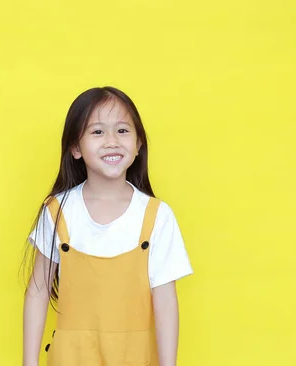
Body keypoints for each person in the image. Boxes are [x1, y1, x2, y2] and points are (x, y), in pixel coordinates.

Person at [22, 86, 193, 366]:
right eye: (98, 131)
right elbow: (38, 290)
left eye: (123, 131)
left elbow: (165, 302)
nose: (112, 141)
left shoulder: (157, 216)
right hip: (69, 358)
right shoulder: (57, 211)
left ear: (139, 144)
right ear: (75, 147)